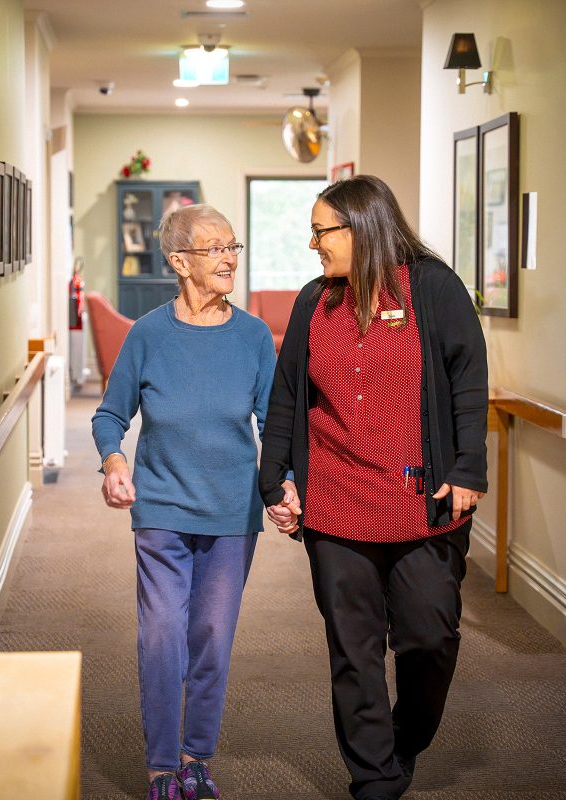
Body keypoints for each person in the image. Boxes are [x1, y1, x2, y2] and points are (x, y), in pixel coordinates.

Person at [259, 175, 488, 800]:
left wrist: (469, 467)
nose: (313, 244)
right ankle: (375, 776)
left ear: (362, 227)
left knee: (429, 636)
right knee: (353, 650)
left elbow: (468, 380)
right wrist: (273, 477)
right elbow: (287, 397)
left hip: (423, 501)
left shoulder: (434, 288)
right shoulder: (313, 302)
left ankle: (403, 739)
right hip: (334, 499)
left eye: (322, 230)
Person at [92, 204, 276, 800]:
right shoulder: (148, 334)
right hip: (163, 509)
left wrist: (287, 482)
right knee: (162, 636)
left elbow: (276, 423)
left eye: (232, 247)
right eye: (214, 248)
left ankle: (197, 756)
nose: (228, 258)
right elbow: (110, 413)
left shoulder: (252, 337)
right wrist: (115, 461)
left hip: (231, 514)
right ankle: (161, 766)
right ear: (179, 262)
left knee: (212, 638)